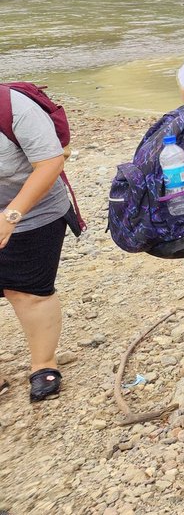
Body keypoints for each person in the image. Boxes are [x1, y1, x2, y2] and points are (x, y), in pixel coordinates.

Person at [0, 86, 71, 402]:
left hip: (33, 214)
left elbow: (51, 163)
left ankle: (43, 363)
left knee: (27, 291)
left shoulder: (16, 108)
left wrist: (11, 215)